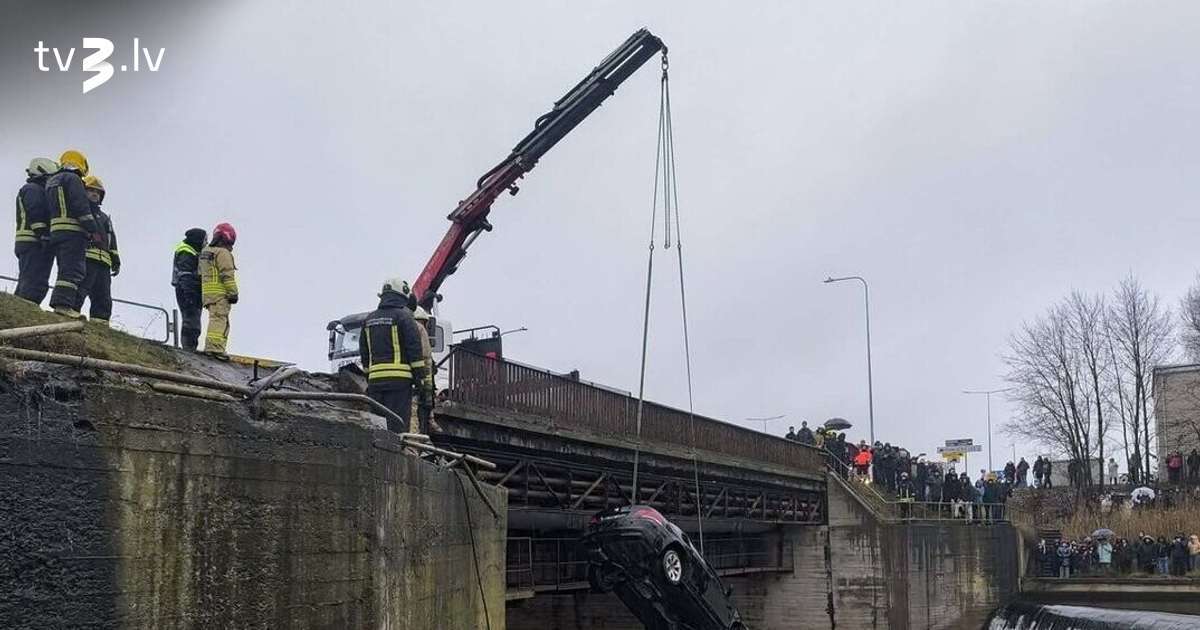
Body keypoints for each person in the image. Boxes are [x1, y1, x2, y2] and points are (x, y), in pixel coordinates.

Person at [358, 277, 426, 433]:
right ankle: (395, 454)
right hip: (399, 383)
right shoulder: (404, 318)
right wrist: (420, 380)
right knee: (397, 425)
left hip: (375, 383)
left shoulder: (369, 319)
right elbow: (414, 350)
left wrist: (369, 377)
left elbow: (364, 353)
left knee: (378, 425)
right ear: (402, 296)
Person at [45, 150, 101, 319]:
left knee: (64, 268)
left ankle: (61, 303)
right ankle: (63, 305)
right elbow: (80, 206)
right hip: (73, 232)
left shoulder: (51, 181)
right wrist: (92, 229)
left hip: (57, 231)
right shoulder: (73, 180)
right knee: (72, 270)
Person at [74, 175, 118, 324]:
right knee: (80, 289)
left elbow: (112, 240)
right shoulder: (80, 210)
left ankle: (100, 322)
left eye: (98, 192)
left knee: (103, 295)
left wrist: (115, 259)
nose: (95, 194)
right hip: (85, 258)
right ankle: (71, 314)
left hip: (104, 262)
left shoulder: (105, 218)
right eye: (91, 190)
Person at [14, 157, 57, 304]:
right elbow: (36, 212)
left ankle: (25, 305)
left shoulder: (37, 190)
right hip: (33, 241)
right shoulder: (33, 189)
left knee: (35, 279)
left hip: (33, 241)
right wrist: (43, 234)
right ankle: (23, 305)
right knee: (32, 279)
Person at [199, 223, 239, 360]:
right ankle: (214, 349)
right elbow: (227, 274)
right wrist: (233, 292)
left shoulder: (206, 252)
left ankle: (213, 347)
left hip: (208, 294)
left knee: (215, 319)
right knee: (220, 320)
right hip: (220, 294)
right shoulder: (222, 253)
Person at [171, 228, 207, 351]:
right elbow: (186, 275)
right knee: (191, 319)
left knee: (192, 319)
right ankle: (189, 347)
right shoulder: (186, 252)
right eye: (204, 240)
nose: (205, 243)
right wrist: (190, 295)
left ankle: (190, 346)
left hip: (188, 289)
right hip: (187, 289)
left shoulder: (190, 250)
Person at [410, 306, 436, 434]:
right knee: (416, 419)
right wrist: (427, 391)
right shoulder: (420, 331)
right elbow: (427, 363)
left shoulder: (404, 329)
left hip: (411, 384)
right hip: (418, 386)